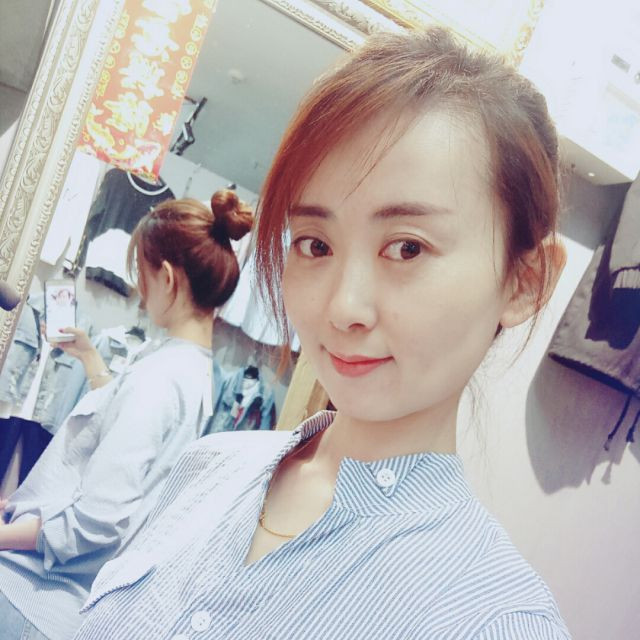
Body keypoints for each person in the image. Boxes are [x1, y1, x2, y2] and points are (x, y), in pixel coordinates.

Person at [74, 28, 571, 639]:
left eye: (407, 247)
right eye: (315, 244)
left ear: (524, 281)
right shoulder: (208, 466)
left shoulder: (494, 621)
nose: (343, 307)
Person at [0, 190, 253, 640]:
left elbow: (94, 525)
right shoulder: (189, 369)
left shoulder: (160, 379)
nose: (138, 291)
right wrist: (91, 358)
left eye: (141, 274)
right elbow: (117, 438)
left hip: (31, 596)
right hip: (46, 598)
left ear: (168, 278)